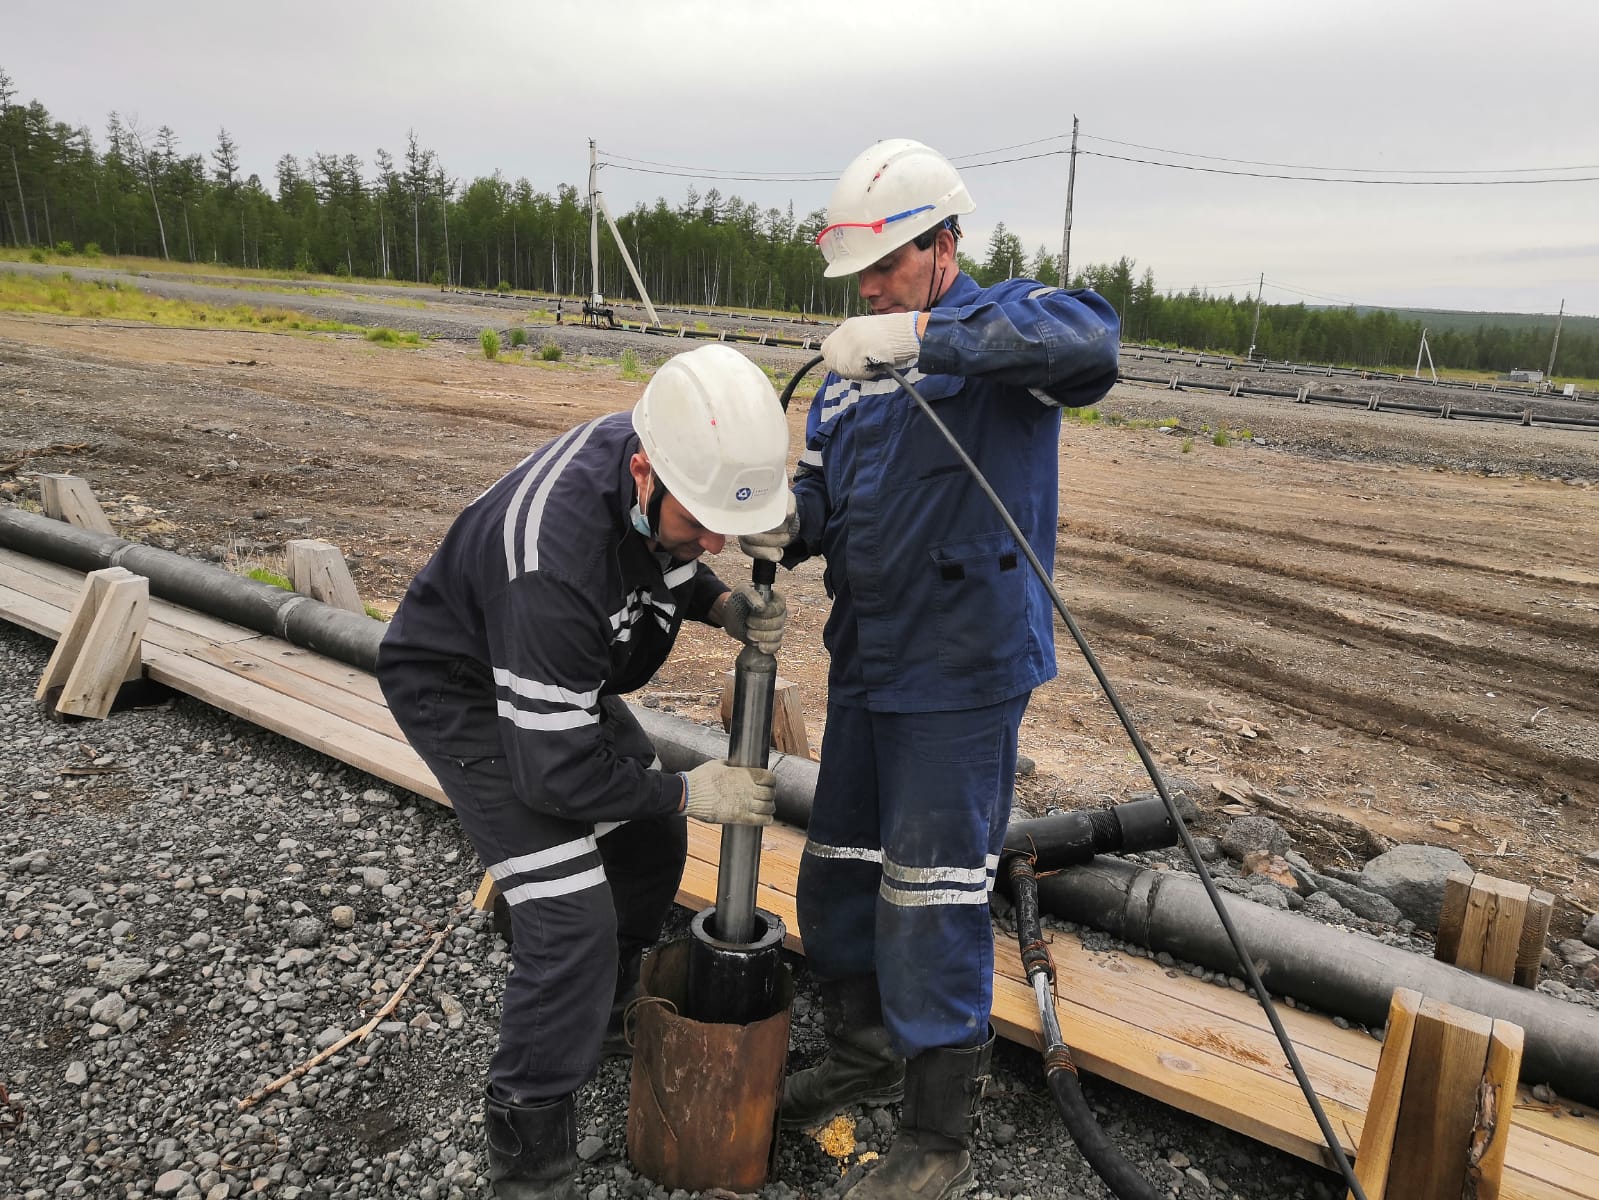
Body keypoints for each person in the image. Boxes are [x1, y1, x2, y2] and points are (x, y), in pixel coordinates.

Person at [742, 138, 1121, 1200]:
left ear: (944, 246)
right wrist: (779, 522)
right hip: (868, 657)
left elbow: (1094, 345)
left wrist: (924, 334)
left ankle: (937, 1133)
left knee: (934, 890)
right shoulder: (846, 385)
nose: (867, 290)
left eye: (887, 267)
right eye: (859, 275)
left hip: (962, 670)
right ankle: (861, 1045)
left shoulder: (1009, 326)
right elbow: (826, 496)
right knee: (845, 868)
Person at [378, 343, 792, 1200]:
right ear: (643, 473)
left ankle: (602, 1017)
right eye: (701, 520)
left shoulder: (661, 457)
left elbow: (661, 557)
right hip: (467, 691)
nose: (714, 539)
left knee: (647, 837)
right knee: (566, 918)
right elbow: (556, 776)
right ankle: (530, 1166)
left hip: (556, 676)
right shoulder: (551, 568)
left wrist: (718, 601)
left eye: (728, 523)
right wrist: (689, 785)